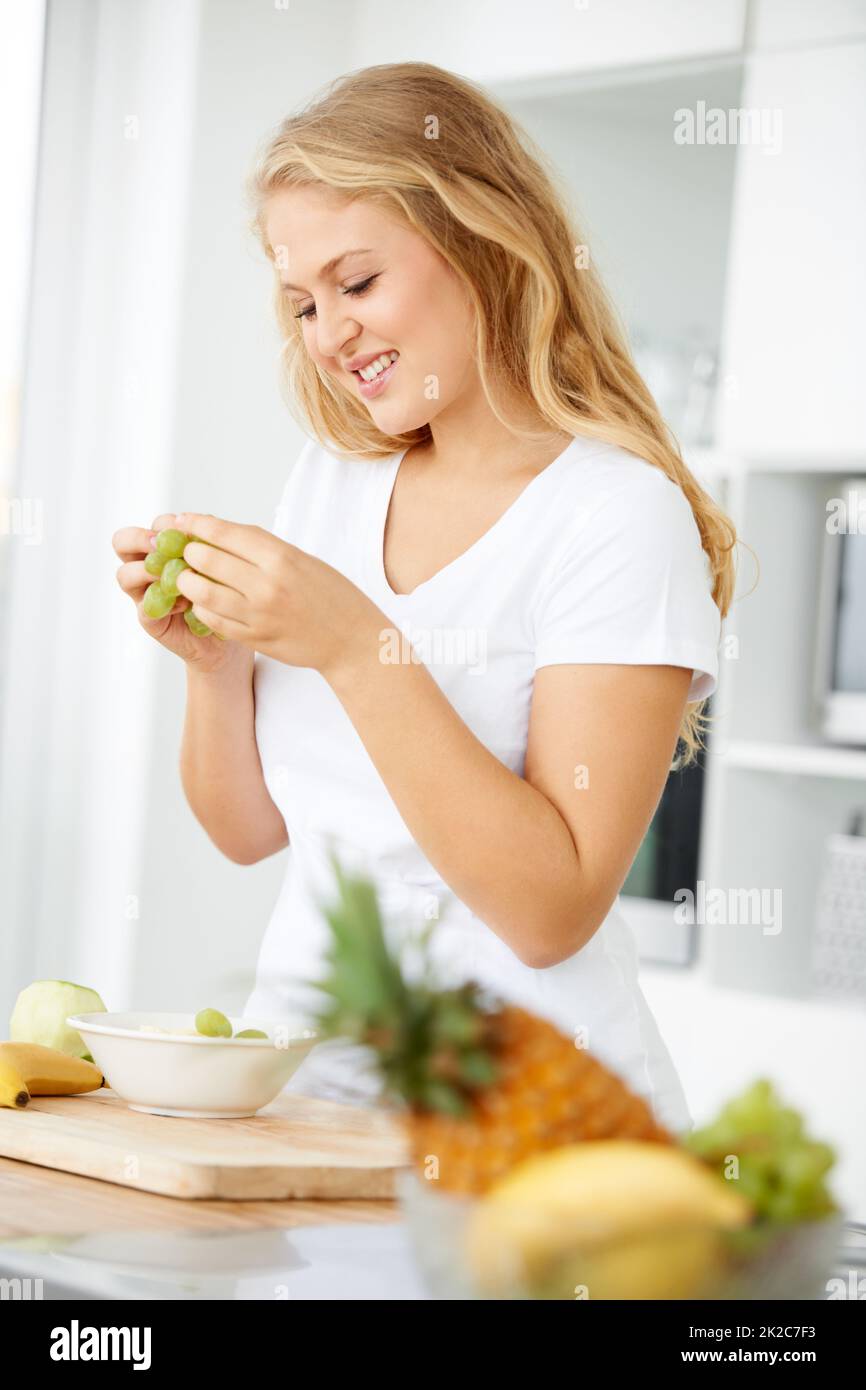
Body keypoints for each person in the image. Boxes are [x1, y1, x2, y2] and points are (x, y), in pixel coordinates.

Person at [113, 62, 737, 1136]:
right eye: (303, 302)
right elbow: (251, 830)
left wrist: (358, 647)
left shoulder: (612, 516)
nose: (327, 331)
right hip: (311, 1106)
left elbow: (551, 909)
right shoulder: (333, 482)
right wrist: (214, 667)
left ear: (485, 243)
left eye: (357, 284)